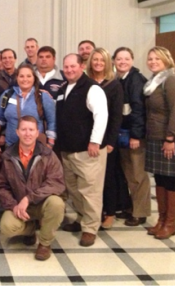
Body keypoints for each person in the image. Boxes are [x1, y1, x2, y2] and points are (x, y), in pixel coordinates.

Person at [0, 116, 66, 261]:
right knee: (6, 227)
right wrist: (13, 205)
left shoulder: (48, 155)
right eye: (24, 130)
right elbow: (1, 186)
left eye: (31, 130)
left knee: (57, 204)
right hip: (20, 206)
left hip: (42, 203)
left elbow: (56, 183)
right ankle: (30, 230)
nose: (27, 133)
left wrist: (29, 198)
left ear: (37, 132)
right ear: (17, 132)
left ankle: (45, 244)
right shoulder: (8, 156)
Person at [55, 54, 108, 247]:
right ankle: (80, 219)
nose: (69, 70)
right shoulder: (63, 88)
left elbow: (101, 115)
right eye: (66, 67)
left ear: (82, 66)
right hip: (68, 150)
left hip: (88, 151)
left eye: (73, 66)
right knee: (74, 190)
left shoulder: (92, 88)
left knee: (90, 190)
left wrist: (95, 141)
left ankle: (90, 228)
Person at [86, 48, 127, 230]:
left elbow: (117, 116)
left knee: (107, 178)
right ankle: (94, 213)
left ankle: (109, 213)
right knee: (90, 180)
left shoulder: (114, 85)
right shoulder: (85, 82)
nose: (98, 63)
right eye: (95, 60)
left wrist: (110, 142)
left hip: (106, 140)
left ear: (107, 63)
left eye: (101, 60)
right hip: (87, 139)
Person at [143, 46, 175, 239]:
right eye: (150, 59)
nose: (153, 62)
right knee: (159, 179)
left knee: (170, 181)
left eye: (157, 59)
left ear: (166, 59)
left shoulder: (171, 81)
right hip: (154, 136)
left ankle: (170, 223)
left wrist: (170, 138)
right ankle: (161, 219)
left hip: (168, 138)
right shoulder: (153, 82)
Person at [113, 47, 149, 227]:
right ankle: (133, 207)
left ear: (132, 60)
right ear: (114, 61)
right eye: (119, 59)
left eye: (126, 59)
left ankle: (141, 212)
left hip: (134, 136)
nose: (122, 62)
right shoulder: (119, 79)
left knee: (138, 174)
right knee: (128, 173)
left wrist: (136, 135)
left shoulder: (136, 80)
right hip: (123, 135)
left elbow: (138, 109)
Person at [0, 64, 56, 150]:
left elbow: (51, 122)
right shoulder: (7, 95)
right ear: (17, 78)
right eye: (21, 76)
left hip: (36, 148)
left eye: (28, 76)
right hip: (11, 147)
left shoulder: (43, 97)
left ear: (34, 78)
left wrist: (50, 144)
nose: (25, 79)